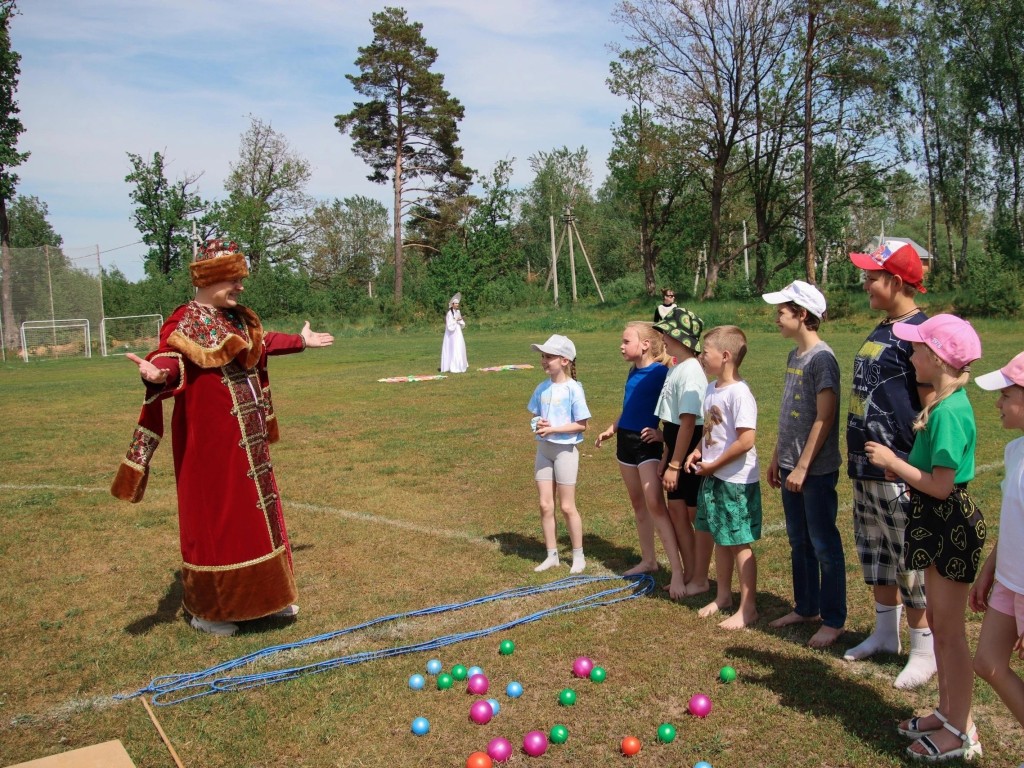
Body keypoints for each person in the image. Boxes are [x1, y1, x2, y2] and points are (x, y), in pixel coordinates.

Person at [111, 239, 335, 637]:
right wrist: (159, 374)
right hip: (210, 450)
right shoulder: (185, 319)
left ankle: (268, 598)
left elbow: (261, 344)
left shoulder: (235, 319)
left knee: (256, 518)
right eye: (234, 279)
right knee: (217, 525)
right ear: (211, 279)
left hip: (248, 445)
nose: (240, 287)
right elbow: (171, 356)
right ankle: (210, 611)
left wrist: (302, 341)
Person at [864, 314, 985, 762]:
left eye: (917, 350)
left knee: (950, 635)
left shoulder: (951, 412)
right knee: (938, 621)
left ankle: (962, 728)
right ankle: (948, 712)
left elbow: (940, 485)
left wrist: (893, 462)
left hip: (950, 525)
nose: (911, 356)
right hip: (935, 522)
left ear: (936, 358)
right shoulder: (942, 402)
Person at [844, 239, 937, 689]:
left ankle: (924, 649)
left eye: (871, 277)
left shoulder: (920, 332)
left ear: (897, 282)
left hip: (897, 468)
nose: (865, 284)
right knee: (877, 554)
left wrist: (910, 462)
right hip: (866, 467)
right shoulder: (884, 326)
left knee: (910, 561)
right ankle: (885, 635)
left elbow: (932, 400)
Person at [762, 281, 846, 648]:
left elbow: (824, 419)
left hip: (815, 471)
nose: (776, 317)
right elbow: (789, 412)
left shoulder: (822, 359)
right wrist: (778, 457)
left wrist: (802, 466)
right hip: (789, 464)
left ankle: (833, 619)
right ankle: (807, 606)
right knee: (799, 541)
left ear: (803, 315)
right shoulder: (794, 356)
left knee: (823, 543)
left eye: (782, 311)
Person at [594, 321, 687, 598]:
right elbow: (630, 406)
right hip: (625, 442)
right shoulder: (632, 370)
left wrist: (661, 435)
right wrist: (613, 427)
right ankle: (649, 560)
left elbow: (674, 412)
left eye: (626, 341)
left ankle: (679, 572)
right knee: (638, 504)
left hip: (647, 446)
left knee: (656, 504)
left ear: (645, 344)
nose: (621, 346)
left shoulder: (662, 373)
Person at [685, 325, 762, 629]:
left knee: (738, 542)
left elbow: (745, 441)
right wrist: (697, 451)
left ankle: (748, 608)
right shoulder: (711, 388)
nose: (702, 357)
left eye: (706, 352)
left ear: (726, 356)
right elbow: (711, 431)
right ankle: (723, 597)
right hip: (713, 474)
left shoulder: (740, 394)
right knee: (721, 536)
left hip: (735, 481)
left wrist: (713, 466)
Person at [971, 351, 1024, 759]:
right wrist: (990, 571)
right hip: (1009, 580)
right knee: (988, 662)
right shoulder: (1015, 450)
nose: (998, 404)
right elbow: (1012, 518)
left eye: (1006, 395)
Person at [653, 306, 712, 596]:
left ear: (680, 337)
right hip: (676, 448)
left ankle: (699, 577)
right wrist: (667, 458)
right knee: (678, 512)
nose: (663, 336)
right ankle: (691, 574)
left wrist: (676, 465)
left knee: (691, 514)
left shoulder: (690, 371)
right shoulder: (678, 366)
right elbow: (673, 421)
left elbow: (689, 423)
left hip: (687, 451)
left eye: (667, 332)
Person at [528, 334, 591, 574]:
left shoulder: (574, 389)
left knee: (566, 506)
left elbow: (581, 424)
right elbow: (535, 417)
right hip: (544, 451)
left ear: (565, 361)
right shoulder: (541, 388)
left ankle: (578, 555)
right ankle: (551, 555)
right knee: (545, 505)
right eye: (543, 357)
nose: (544, 361)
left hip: (565, 451)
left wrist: (553, 428)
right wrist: (538, 424)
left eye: (549, 357)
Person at [440, 293, 468, 373]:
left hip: (458, 332)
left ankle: (460, 364)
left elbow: (461, 322)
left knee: (460, 345)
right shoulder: (449, 314)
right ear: (452, 304)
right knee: (454, 347)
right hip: (452, 334)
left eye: (458, 303)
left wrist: (460, 320)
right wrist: (455, 320)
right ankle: (453, 365)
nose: (457, 305)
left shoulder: (458, 312)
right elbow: (449, 326)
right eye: (455, 303)